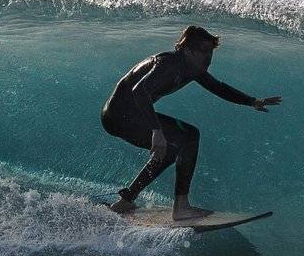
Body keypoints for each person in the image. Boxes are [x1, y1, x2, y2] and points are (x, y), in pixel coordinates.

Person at [101, 26, 282, 220]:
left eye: (211, 53)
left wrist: (252, 101)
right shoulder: (167, 63)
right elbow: (139, 91)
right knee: (189, 135)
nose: (208, 58)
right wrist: (156, 131)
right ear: (187, 50)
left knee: (171, 149)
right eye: (204, 52)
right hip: (120, 116)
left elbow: (218, 87)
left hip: (131, 116)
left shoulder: (192, 68)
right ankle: (181, 207)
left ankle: (127, 199)